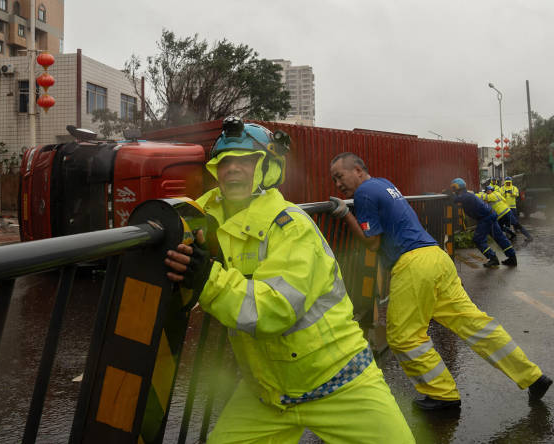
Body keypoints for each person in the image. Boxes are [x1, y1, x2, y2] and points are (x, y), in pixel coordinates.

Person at [165, 117, 414, 443]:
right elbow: (183, 214)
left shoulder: (291, 226)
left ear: (266, 169)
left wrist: (204, 277)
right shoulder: (211, 215)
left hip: (338, 381)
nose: (232, 170)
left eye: (245, 161)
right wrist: (165, 226)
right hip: (268, 392)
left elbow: (273, 310)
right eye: (225, 162)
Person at [329, 152, 551, 411]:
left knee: (403, 337)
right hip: (436, 257)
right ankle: (532, 376)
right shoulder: (384, 183)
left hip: (413, 265)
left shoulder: (364, 192)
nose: (337, 184)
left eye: (339, 176)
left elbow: (371, 241)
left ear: (357, 169)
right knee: (476, 326)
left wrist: (345, 214)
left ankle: (442, 395)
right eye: (334, 180)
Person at [450, 178, 517, 267]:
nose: (453, 190)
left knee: (478, 239)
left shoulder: (465, 196)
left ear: (457, 187)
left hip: (485, 218)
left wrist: (448, 193)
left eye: (453, 188)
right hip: (489, 215)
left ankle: (493, 258)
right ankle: (512, 258)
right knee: (499, 237)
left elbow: (454, 199)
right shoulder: (467, 194)